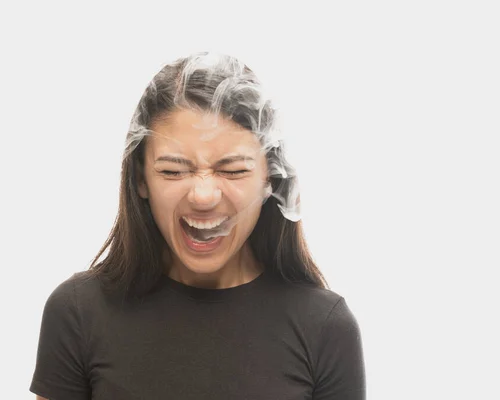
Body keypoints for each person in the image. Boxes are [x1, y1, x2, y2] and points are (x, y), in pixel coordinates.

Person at [29, 52, 366, 400]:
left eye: (233, 170)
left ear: (270, 179)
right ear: (141, 179)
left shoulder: (324, 328)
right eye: (173, 171)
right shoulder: (78, 313)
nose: (203, 196)